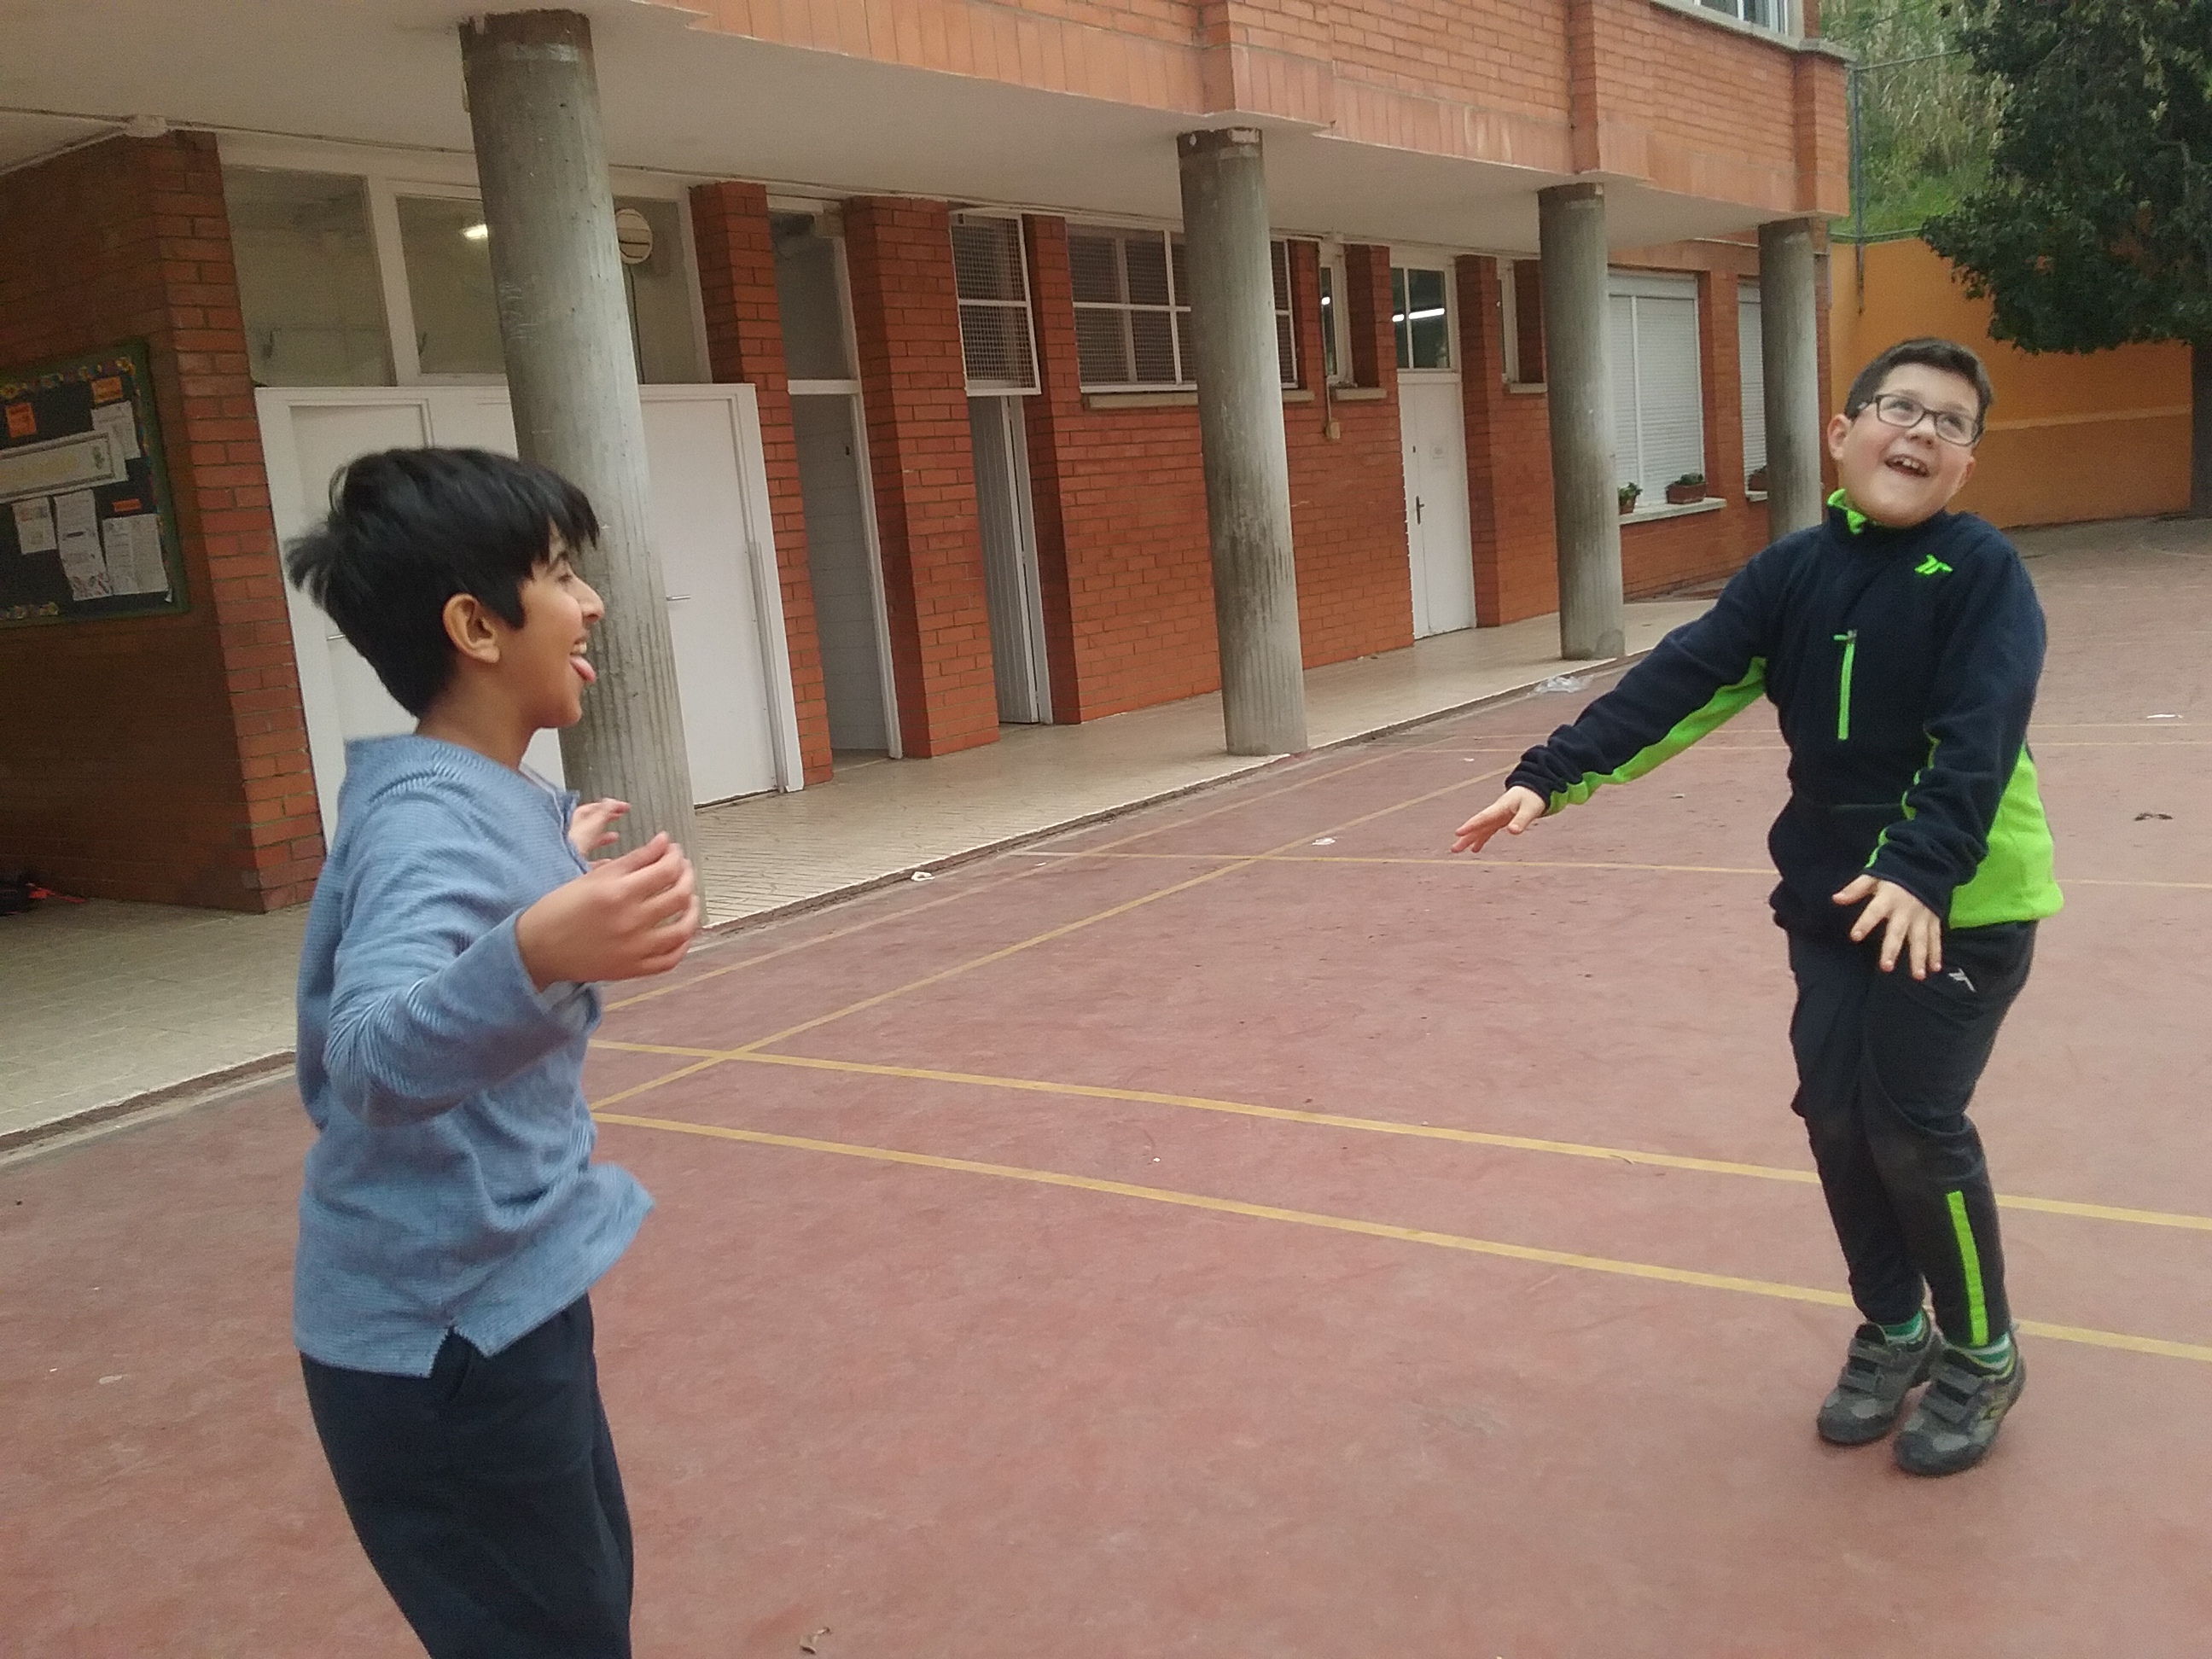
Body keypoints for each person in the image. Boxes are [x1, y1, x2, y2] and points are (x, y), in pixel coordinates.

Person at [1452, 339, 2060, 1477]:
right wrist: (1551, 773)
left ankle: (1983, 1353)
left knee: (1910, 1127)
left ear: (1967, 464)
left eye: (1951, 423)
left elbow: (1980, 730)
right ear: (1842, 434)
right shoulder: (1791, 577)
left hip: (1958, 901)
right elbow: (1681, 681)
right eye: (1899, 408)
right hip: (1832, 898)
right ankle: (1896, 1328)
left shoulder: (1980, 573)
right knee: (1833, 1116)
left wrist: (1924, 867)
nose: (1921, 433)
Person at [284, 447, 701, 1654]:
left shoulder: (475, 796)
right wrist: (534, 947)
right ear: (476, 626)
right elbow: (367, 1058)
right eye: (559, 573)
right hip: (443, 1346)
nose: (592, 603)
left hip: (504, 1306)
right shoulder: (431, 823)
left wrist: (549, 863)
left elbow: (462, 884)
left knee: (582, 1609)